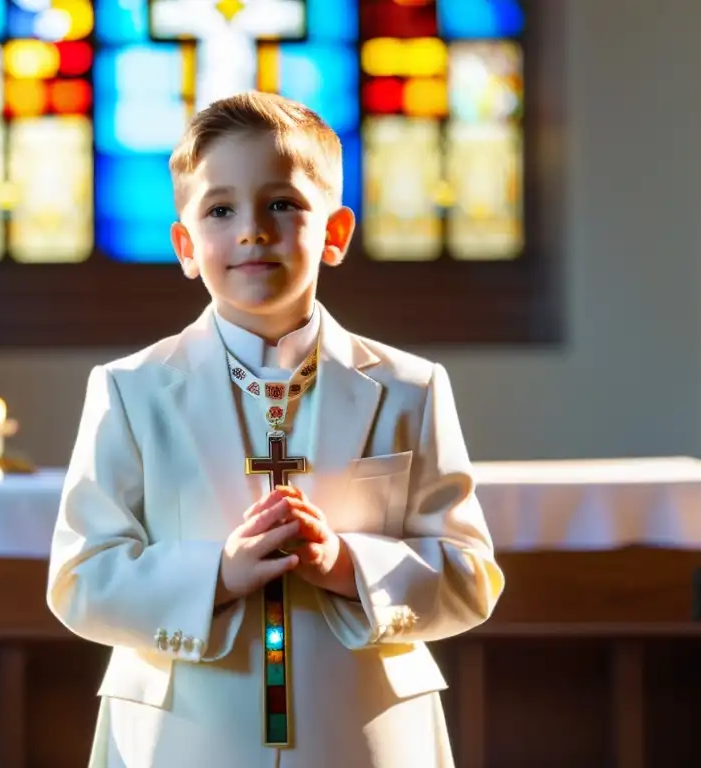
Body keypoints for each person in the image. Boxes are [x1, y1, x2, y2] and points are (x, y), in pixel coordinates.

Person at [46, 91, 505, 768]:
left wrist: (349, 566)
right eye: (220, 209)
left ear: (337, 233)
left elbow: (469, 576)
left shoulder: (411, 387)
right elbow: (81, 579)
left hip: (362, 730)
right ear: (185, 244)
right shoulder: (130, 389)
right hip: (184, 733)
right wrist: (218, 574)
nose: (252, 230)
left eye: (282, 204)